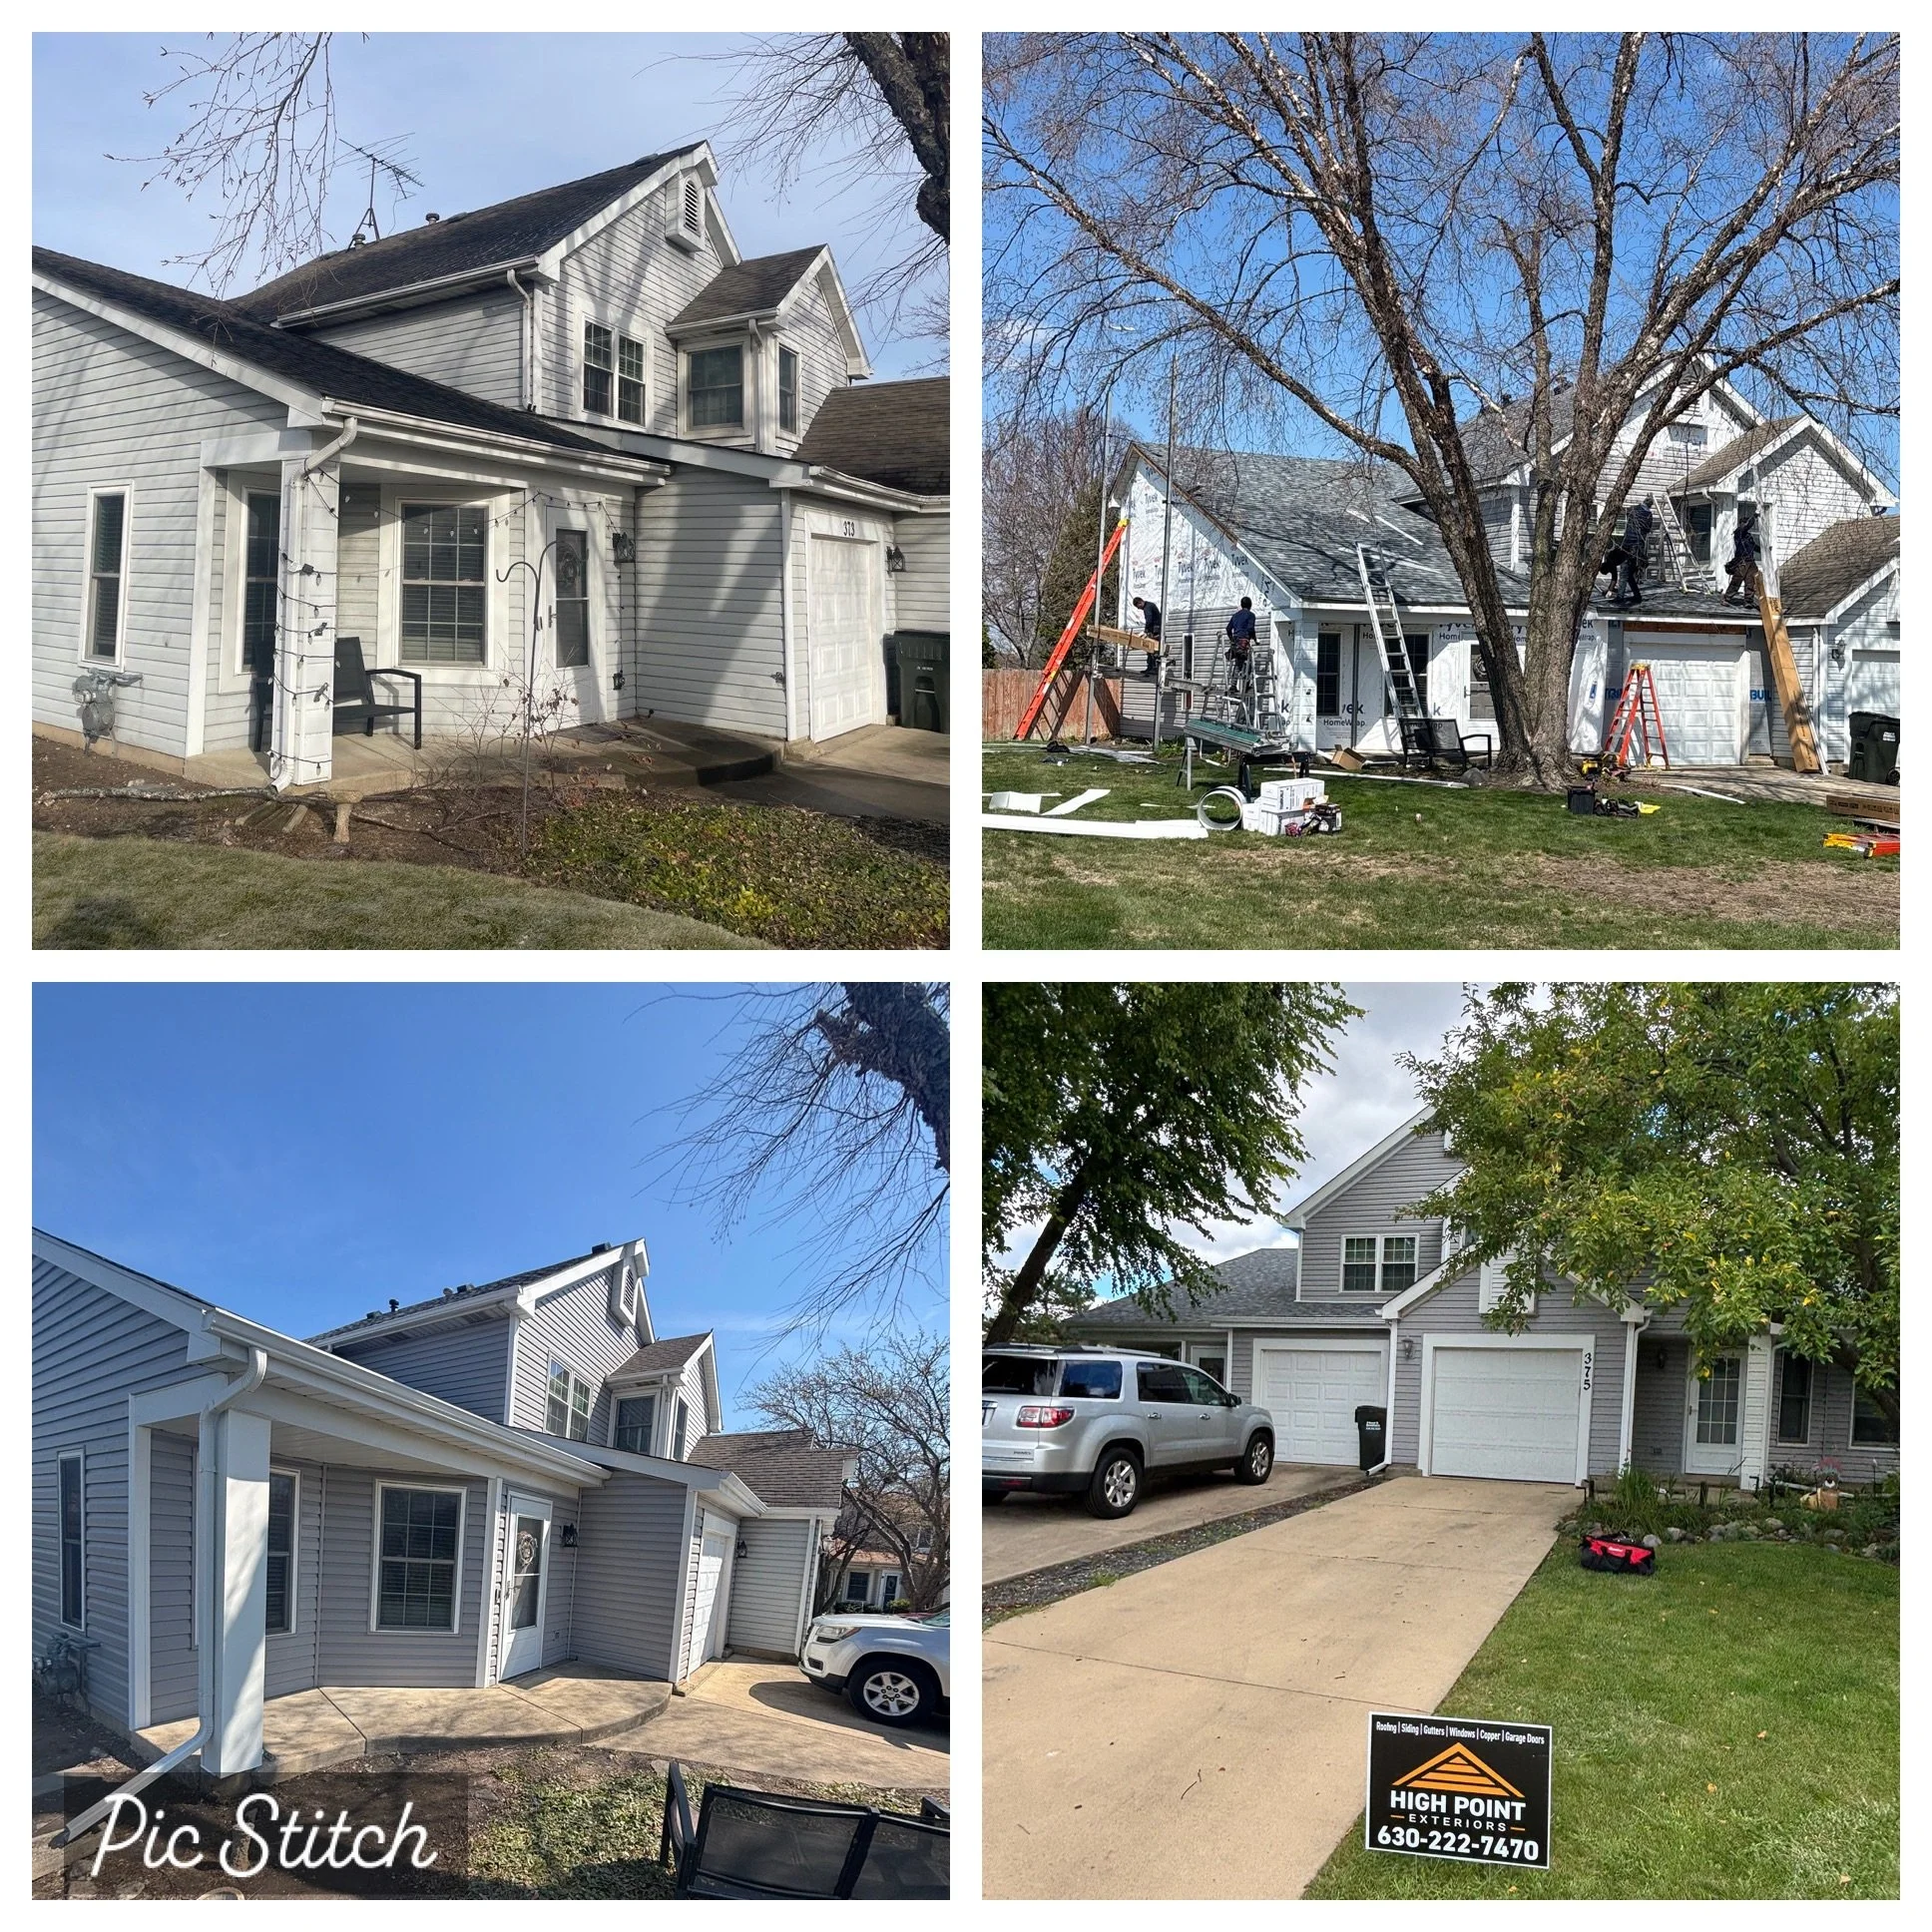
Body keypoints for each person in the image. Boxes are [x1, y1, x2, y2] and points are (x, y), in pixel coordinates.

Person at [1723, 506, 1762, 605]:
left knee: (1751, 580)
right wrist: (1755, 516)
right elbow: (1748, 525)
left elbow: (1754, 547)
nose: (1745, 525)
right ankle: (1726, 598)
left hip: (1750, 561)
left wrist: (1764, 550)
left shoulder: (1748, 537)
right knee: (1737, 580)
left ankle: (1748, 601)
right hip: (1742, 560)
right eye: (1744, 523)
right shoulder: (1738, 533)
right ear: (1741, 524)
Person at [1224, 597, 1257, 687]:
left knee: (1239, 663)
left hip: (1236, 643)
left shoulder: (1235, 616)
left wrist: (1232, 641)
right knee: (1248, 664)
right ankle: (1245, 685)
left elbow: (1228, 629)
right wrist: (1255, 639)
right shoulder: (1251, 615)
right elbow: (1251, 629)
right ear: (1250, 605)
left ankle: (1234, 686)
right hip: (1243, 642)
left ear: (1242, 605)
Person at [1131, 595, 1163, 676]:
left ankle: (1153, 668)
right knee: (1151, 649)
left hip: (1155, 631)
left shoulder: (1147, 607)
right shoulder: (1150, 605)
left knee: (1151, 649)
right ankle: (1151, 667)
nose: (1138, 608)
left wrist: (1146, 630)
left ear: (1140, 602)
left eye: (1137, 606)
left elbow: (1149, 619)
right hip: (1157, 629)